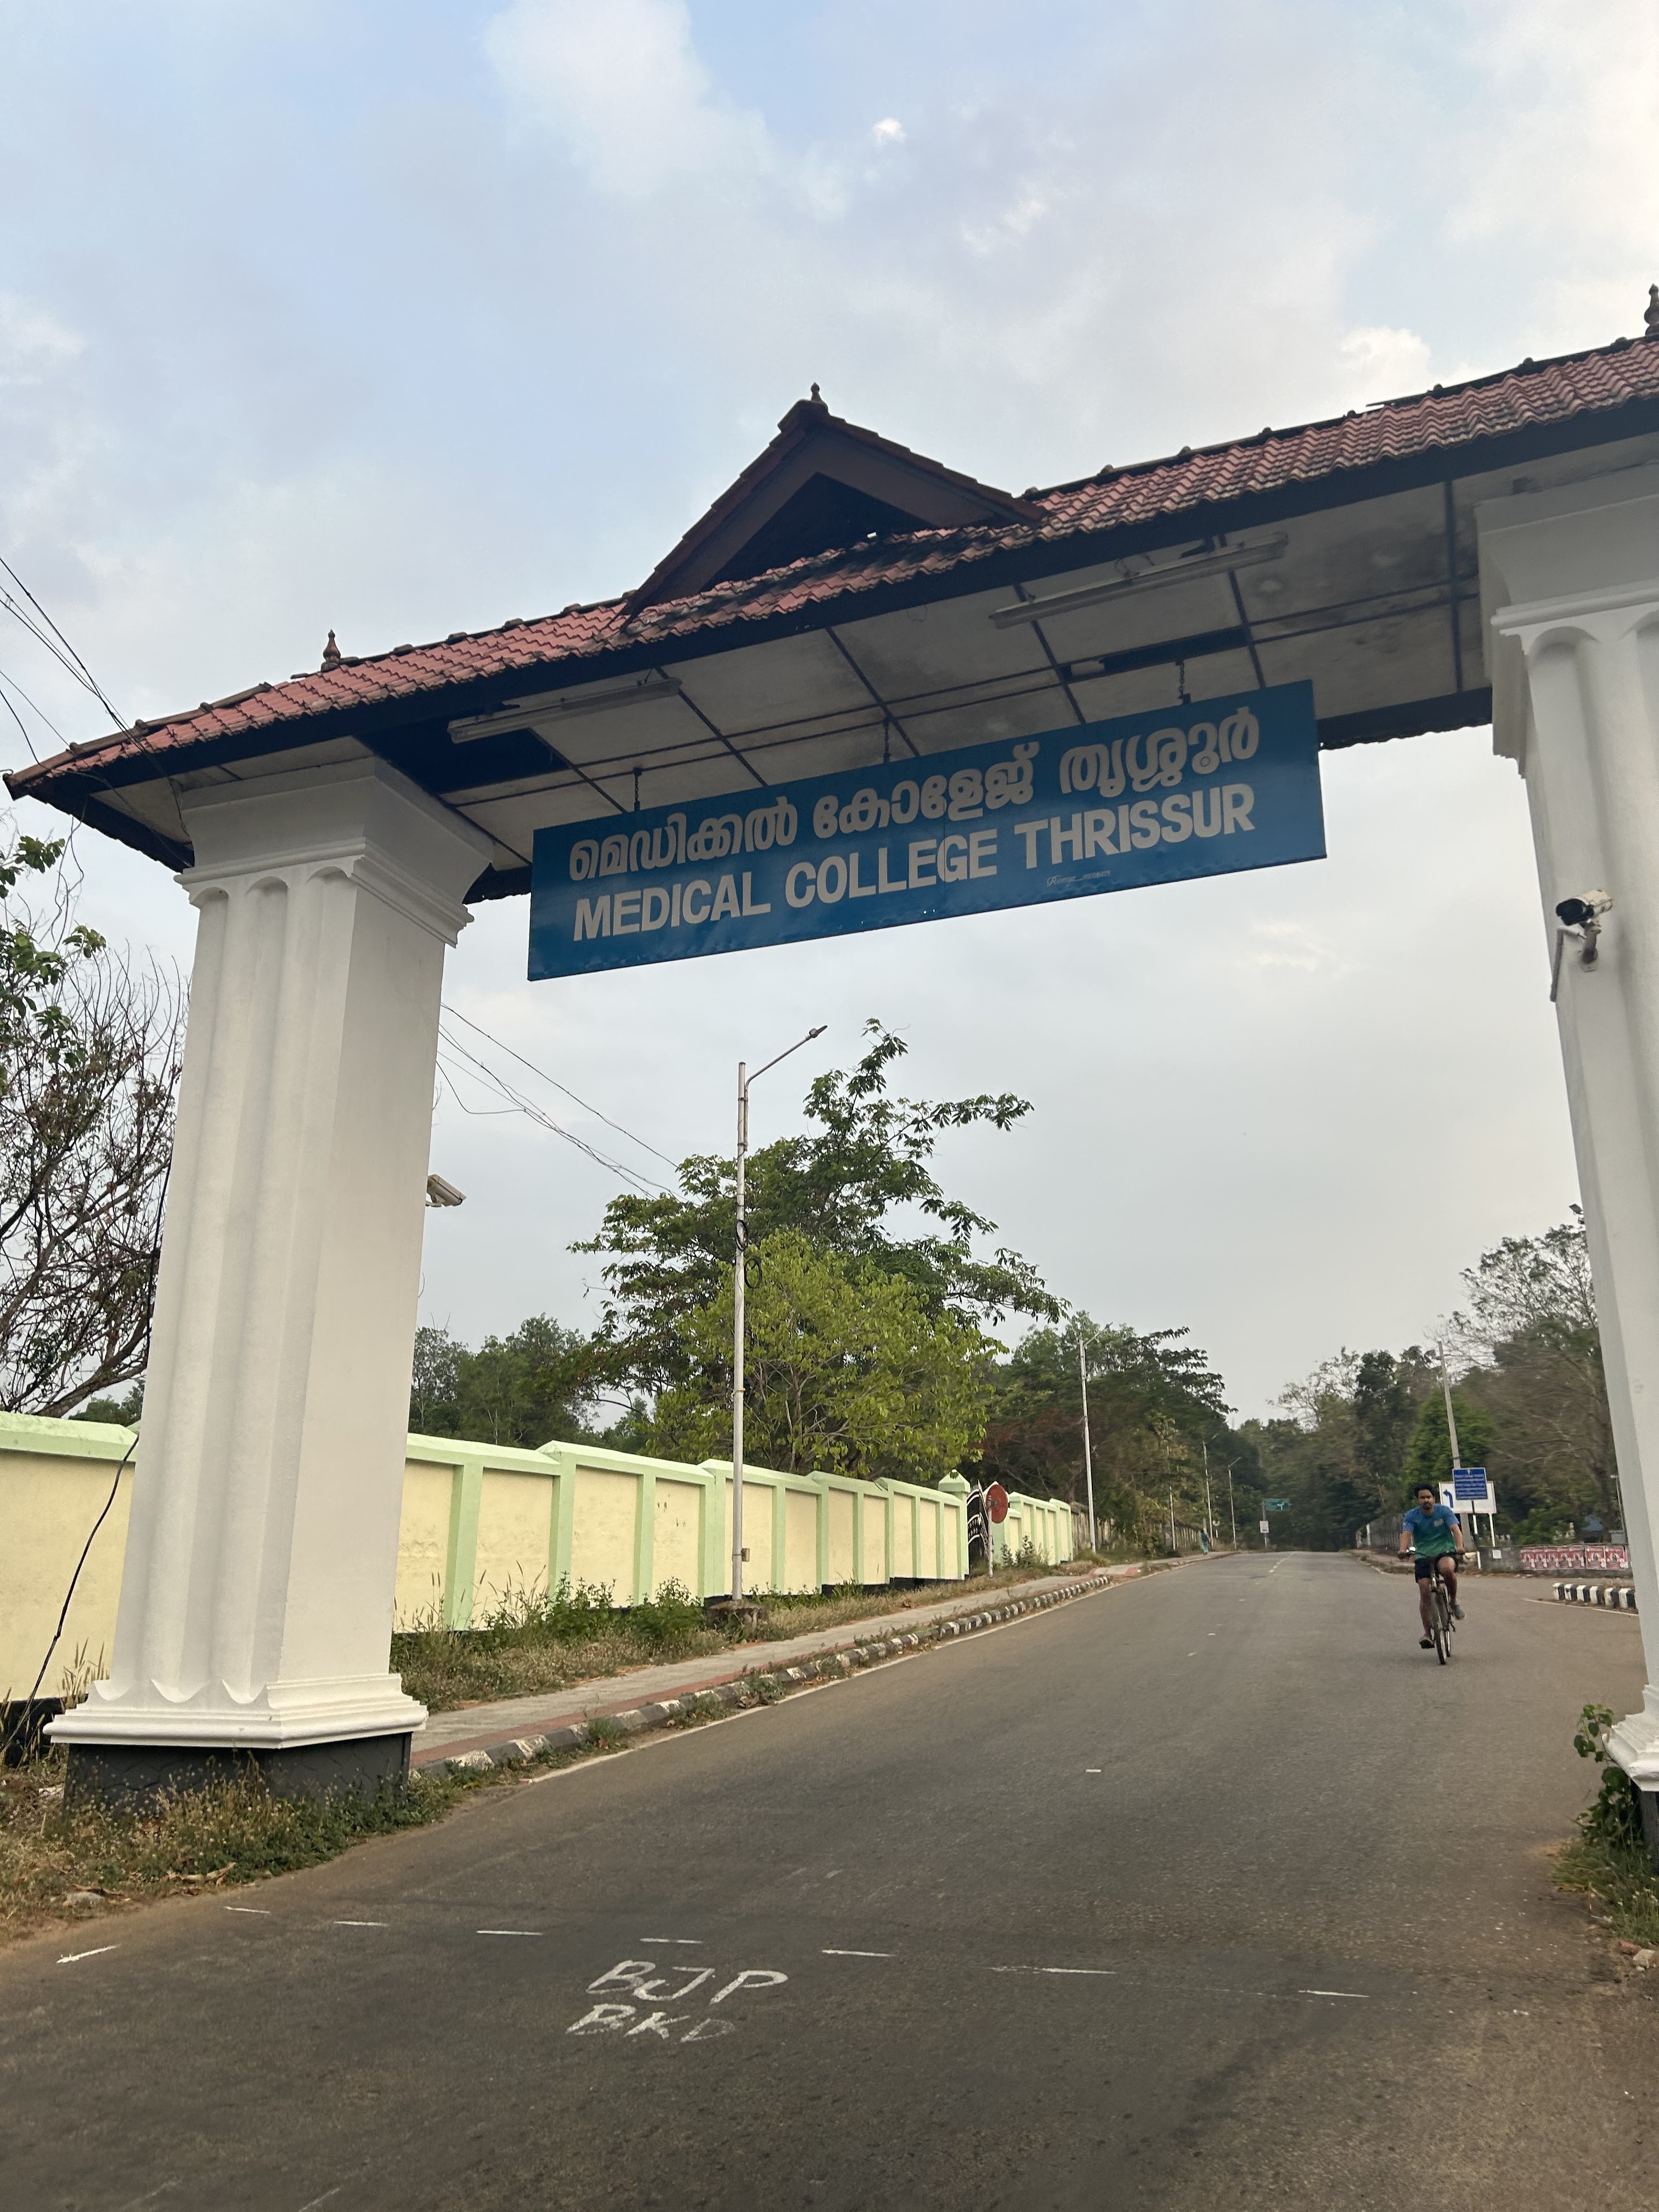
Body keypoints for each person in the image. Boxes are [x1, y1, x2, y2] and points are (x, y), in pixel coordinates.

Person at [1398, 1483, 1465, 1648]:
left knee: (1448, 1569)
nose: (1426, 1500)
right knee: (1424, 1589)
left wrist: (1460, 1546)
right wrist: (1402, 1550)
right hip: (1423, 1555)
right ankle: (1427, 1633)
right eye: (1423, 1498)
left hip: (1445, 1551)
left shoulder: (1444, 1512)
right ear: (1417, 1500)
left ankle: (1453, 1602)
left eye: (1429, 1497)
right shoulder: (1411, 1516)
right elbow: (1406, 1534)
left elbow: (1456, 1530)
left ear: (1433, 1499)